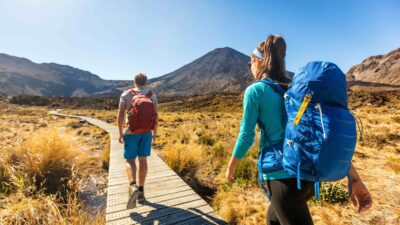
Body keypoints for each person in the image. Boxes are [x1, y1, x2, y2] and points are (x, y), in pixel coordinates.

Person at [225, 35, 372, 225]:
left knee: (282, 211)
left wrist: (231, 167)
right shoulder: (293, 90)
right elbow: (320, 135)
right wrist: (355, 179)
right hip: (307, 177)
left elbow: (246, 136)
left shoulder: (256, 91)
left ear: (259, 61)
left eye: (250, 61)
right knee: (273, 219)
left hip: (282, 180)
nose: (250, 66)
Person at [118, 72, 158, 209]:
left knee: (130, 160)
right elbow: (156, 116)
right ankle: (141, 191)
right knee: (143, 160)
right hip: (146, 133)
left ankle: (132, 186)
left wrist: (120, 133)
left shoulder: (126, 94)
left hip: (131, 133)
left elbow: (120, 115)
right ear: (145, 82)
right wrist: (155, 134)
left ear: (134, 81)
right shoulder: (152, 96)